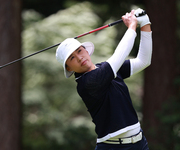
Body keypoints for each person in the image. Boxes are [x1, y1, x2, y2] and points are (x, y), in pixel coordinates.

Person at [56, 8, 152, 150]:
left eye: (79, 51)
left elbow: (144, 61)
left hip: (140, 143)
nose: (79, 57)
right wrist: (132, 26)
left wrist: (144, 23)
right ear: (69, 68)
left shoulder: (106, 69)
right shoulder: (87, 83)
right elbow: (119, 55)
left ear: (86, 50)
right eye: (72, 58)